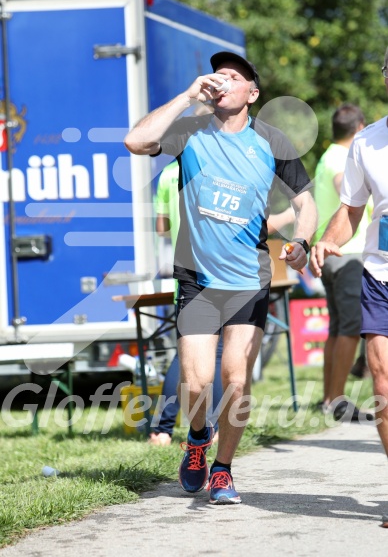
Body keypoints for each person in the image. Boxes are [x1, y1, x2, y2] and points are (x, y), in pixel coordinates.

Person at [125, 51, 316, 505]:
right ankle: (196, 440)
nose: (222, 81)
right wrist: (188, 95)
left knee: (235, 376)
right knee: (194, 382)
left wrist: (302, 243)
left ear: (252, 93)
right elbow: (136, 141)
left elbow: (305, 203)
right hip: (196, 276)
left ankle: (224, 470)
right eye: (218, 75)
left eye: (234, 77)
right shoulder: (189, 132)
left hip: (249, 277)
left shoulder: (272, 142)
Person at [309, 47, 388, 473]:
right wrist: (327, 239)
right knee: (382, 385)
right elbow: (352, 208)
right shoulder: (367, 142)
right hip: (380, 274)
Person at [149, 160, 224, 446]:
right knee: (214, 355)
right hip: (219, 270)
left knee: (183, 355)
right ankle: (213, 427)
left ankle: (162, 430)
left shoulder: (168, 173)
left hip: (184, 271)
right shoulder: (214, 169)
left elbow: (161, 227)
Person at [313, 104, 372, 421]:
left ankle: (327, 398)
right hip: (345, 253)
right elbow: (343, 187)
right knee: (350, 329)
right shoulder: (341, 157)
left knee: (338, 329)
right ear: (360, 128)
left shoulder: (328, 154)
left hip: (331, 253)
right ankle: (337, 402)